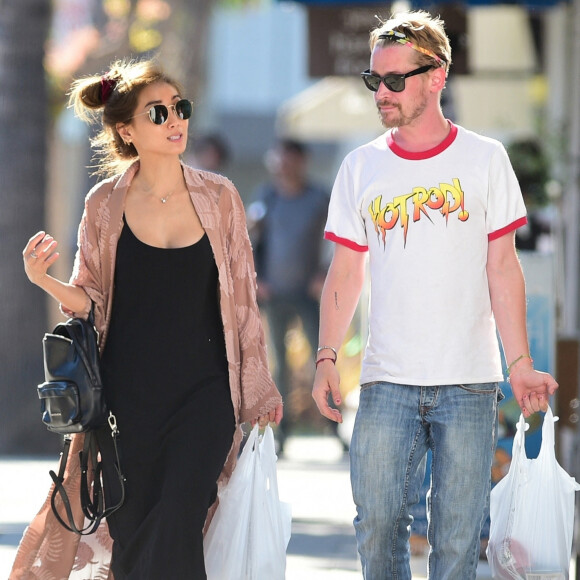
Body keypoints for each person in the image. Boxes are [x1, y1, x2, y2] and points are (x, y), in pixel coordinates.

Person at [311, 11, 559, 580]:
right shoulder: (361, 166)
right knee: (375, 527)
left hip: (469, 383)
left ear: (436, 76)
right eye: (376, 81)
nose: (383, 94)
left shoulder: (486, 159)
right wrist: (326, 356)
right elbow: (346, 272)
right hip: (385, 381)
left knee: (456, 543)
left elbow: (503, 268)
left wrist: (519, 364)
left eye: (396, 80)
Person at [15, 58, 283, 580]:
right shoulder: (104, 204)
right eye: (158, 112)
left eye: (180, 107)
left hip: (204, 395)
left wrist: (259, 386)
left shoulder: (220, 196)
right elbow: (90, 297)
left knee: (180, 516)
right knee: (135, 528)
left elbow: (244, 303)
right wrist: (41, 279)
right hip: (126, 402)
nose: (175, 120)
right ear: (126, 130)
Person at [247, 138, 330, 453]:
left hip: (307, 291)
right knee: (278, 364)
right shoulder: (266, 196)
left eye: (290, 160)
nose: (283, 166)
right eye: (279, 159)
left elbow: (336, 238)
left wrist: (324, 272)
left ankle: (332, 427)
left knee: (321, 357)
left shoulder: (318, 197)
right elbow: (249, 239)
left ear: (301, 162)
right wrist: (257, 279)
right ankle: (282, 434)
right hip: (274, 293)